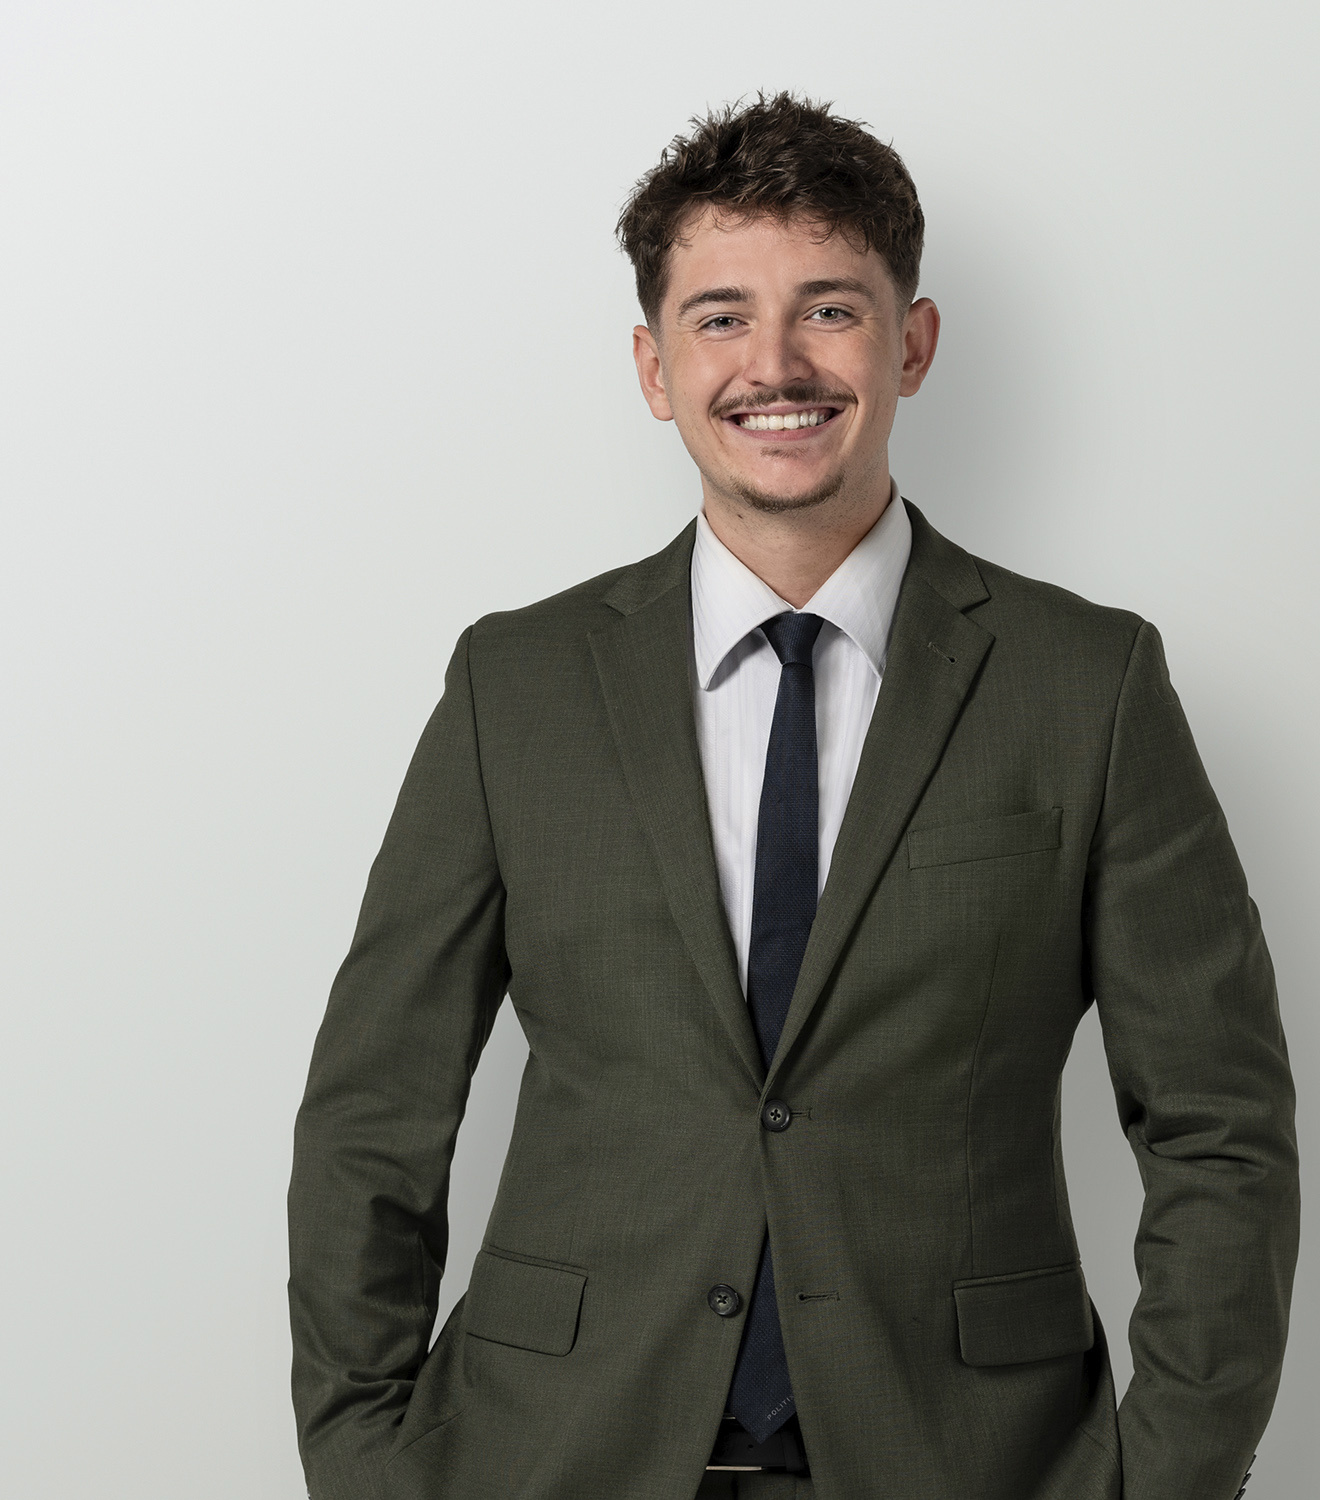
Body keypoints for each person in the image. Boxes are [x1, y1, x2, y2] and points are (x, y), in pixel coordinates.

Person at [287, 94, 1298, 1500]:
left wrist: (1168, 1477)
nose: (774, 364)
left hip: (974, 1461)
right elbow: (375, 1110)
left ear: (912, 344)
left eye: (830, 309)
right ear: (654, 366)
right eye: (720, 317)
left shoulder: (1090, 685)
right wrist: (360, 1458)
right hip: (551, 1452)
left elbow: (1220, 1128)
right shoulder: (513, 686)